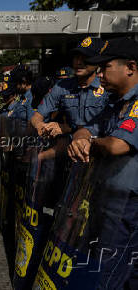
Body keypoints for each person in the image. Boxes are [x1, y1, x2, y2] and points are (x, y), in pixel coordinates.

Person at [67, 37, 138, 289]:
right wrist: (81, 138)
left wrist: (91, 142)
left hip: (128, 208)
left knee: (107, 279)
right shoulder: (114, 102)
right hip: (109, 202)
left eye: (105, 67)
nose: (99, 74)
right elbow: (85, 129)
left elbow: (116, 145)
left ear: (130, 67)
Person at [31, 36, 110, 137]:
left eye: (85, 58)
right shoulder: (61, 86)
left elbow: (109, 125)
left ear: (98, 61)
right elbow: (37, 115)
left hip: (99, 147)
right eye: (76, 57)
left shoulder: (108, 87)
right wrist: (40, 125)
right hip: (69, 147)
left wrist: (68, 128)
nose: (78, 62)